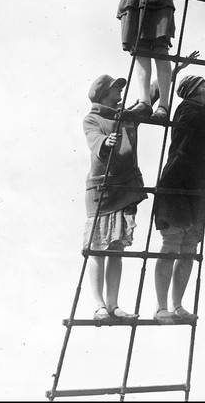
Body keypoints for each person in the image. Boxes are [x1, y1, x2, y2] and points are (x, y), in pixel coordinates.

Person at [152, 74, 205, 323]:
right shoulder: (186, 109)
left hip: (195, 190)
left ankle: (177, 304)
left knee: (188, 248)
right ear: (193, 90)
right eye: (203, 87)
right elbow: (194, 122)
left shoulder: (203, 112)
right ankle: (162, 307)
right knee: (171, 245)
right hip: (177, 187)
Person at [83, 74, 148, 322]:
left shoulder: (126, 116)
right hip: (102, 190)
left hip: (125, 188)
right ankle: (99, 304)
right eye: (115, 89)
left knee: (116, 249)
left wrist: (171, 74)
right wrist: (105, 141)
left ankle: (113, 304)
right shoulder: (92, 118)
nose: (120, 91)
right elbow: (93, 139)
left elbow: (149, 95)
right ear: (102, 94)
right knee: (98, 248)